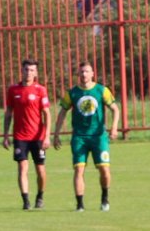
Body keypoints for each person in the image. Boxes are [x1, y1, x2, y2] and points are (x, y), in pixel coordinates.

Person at [51, 62, 121, 212]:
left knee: (104, 170)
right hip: (79, 137)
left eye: (87, 72)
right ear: (78, 75)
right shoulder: (72, 93)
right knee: (79, 170)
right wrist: (56, 134)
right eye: (81, 72)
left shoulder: (102, 90)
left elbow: (115, 109)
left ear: (92, 74)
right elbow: (62, 112)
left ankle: (104, 198)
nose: (84, 75)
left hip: (99, 137)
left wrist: (114, 127)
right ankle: (80, 204)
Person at [1, 58, 51, 209]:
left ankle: (40, 195)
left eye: (31, 70)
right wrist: (5, 135)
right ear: (21, 71)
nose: (28, 73)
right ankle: (26, 201)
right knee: (22, 168)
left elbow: (47, 114)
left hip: (38, 137)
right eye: (26, 69)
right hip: (20, 137)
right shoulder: (13, 90)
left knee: (40, 170)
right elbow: (9, 113)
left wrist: (47, 136)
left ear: (36, 72)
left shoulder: (40, 90)